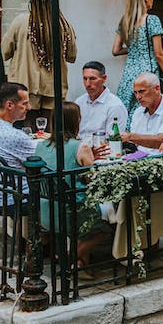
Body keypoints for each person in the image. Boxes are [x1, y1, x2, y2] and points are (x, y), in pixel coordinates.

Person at [32, 102, 100, 260]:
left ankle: (82, 266)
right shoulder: (80, 147)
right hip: (71, 211)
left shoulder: (41, 145)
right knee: (105, 229)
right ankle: (72, 258)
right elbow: (93, 180)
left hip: (46, 210)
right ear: (75, 121)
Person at [3, 0, 78, 115]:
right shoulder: (64, 25)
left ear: (32, 1)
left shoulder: (20, 22)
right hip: (54, 87)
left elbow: (4, 52)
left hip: (25, 86)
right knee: (49, 127)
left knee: (27, 126)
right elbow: (72, 56)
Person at [113, 0, 163, 111]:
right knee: (146, 110)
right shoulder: (152, 20)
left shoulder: (125, 20)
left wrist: (134, 47)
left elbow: (115, 50)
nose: (153, 0)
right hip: (147, 73)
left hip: (129, 74)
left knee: (126, 110)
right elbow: (158, 53)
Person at [123, 73, 163, 155]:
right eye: (135, 93)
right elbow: (135, 143)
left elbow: (162, 141)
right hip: (138, 157)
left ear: (157, 88)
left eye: (142, 91)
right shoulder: (138, 112)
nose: (138, 97)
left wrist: (130, 137)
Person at [0, 83, 37, 201]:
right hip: (17, 197)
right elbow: (45, 161)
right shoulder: (15, 136)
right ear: (9, 105)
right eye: (24, 103)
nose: (29, 108)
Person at [75, 61, 129, 139]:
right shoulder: (79, 102)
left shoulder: (115, 105)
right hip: (78, 148)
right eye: (85, 78)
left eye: (92, 79)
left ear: (104, 79)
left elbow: (113, 140)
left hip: (102, 149)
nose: (87, 84)